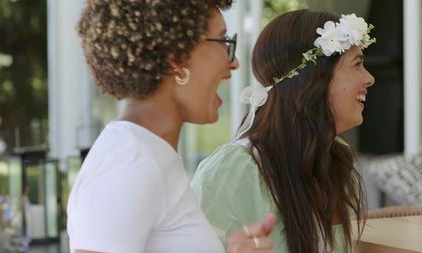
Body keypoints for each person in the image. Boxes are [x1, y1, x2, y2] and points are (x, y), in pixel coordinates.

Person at [67, 1, 275, 252]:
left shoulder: (148, 155)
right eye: (223, 42)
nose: (233, 64)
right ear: (177, 58)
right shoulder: (131, 162)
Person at [191, 9, 376, 253]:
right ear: (314, 78)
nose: (370, 78)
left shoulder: (336, 159)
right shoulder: (234, 172)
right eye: (357, 65)